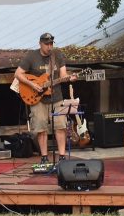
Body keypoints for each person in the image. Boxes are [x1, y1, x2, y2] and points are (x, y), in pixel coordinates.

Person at [14, 32, 77, 165]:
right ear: (40, 44)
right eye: (46, 44)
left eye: (51, 44)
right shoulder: (31, 56)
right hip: (38, 98)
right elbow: (18, 73)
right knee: (41, 127)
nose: (49, 47)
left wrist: (69, 78)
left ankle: (62, 157)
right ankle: (44, 157)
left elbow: (63, 74)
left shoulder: (57, 55)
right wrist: (33, 84)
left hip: (57, 97)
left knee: (60, 126)